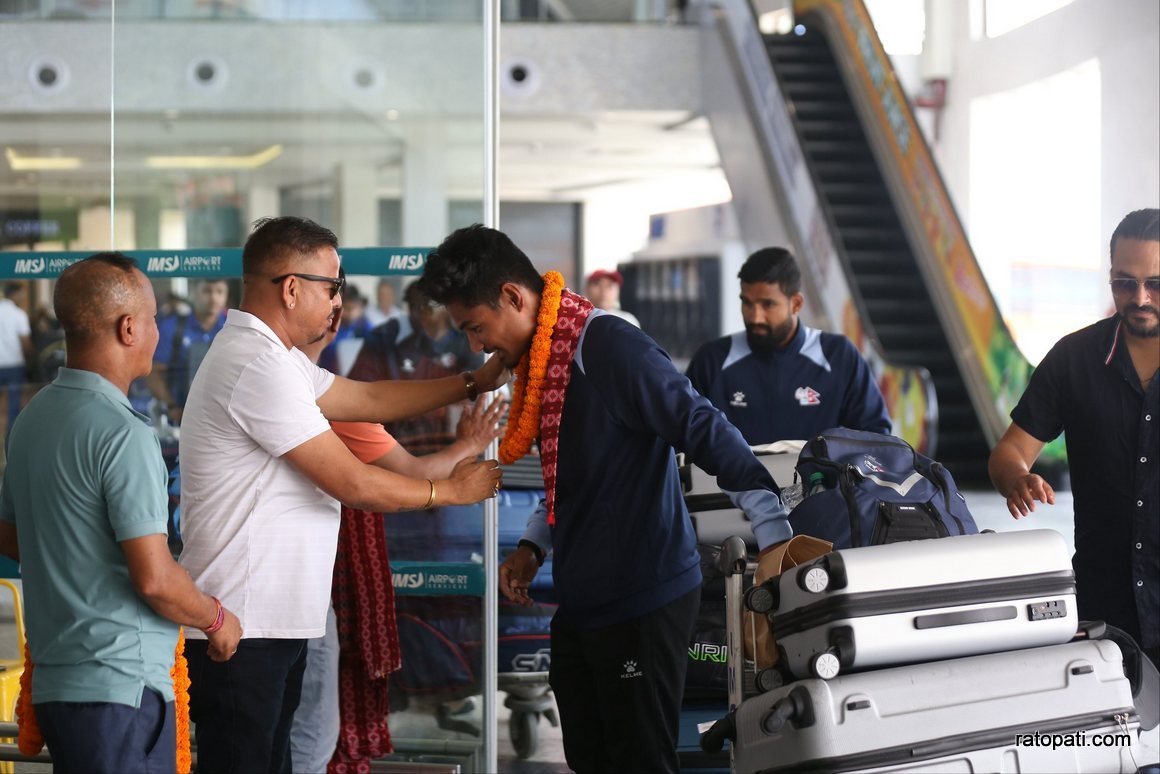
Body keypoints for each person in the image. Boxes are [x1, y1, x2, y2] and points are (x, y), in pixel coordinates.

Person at [417, 224, 790, 774]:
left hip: (643, 595)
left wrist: (774, 530)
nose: (476, 346)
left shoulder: (608, 345)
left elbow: (699, 425)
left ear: (514, 298)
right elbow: (568, 469)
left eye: (476, 327)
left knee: (639, 762)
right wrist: (533, 545)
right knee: (589, 759)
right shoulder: (544, 360)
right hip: (585, 597)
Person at [177, 216, 508, 773]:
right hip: (243, 625)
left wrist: (475, 380)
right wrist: (448, 491)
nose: (337, 300)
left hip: (269, 621)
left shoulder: (276, 360)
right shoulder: (257, 364)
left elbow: (371, 399)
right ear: (291, 288)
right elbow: (351, 482)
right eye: (332, 286)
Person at [0, 253, 242, 773]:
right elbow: (154, 579)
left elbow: (11, 534)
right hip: (120, 687)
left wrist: (79, 567)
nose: (157, 331)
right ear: (129, 328)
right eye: (153, 319)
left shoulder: (32, 418)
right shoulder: (123, 434)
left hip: (60, 683)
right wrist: (216, 618)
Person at [290, 301, 504, 773]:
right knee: (312, 728)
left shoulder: (305, 388)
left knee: (302, 720)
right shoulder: (321, 401)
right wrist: (455, 481)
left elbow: (377, 410)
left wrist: (465, 437)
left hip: (308, 584)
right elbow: (371, 480)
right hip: (318, 583)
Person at [989, 207, 1159, 667]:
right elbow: (1010, 451)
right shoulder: (1074, 359)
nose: (1140, 297)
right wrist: (1016, 479)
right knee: (1103, 740)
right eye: (1125, 282)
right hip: (1102, 608)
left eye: (1156, 284)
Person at [686, 247, 891, 444]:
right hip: (729, 481)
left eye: (768, 304)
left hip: (819, 480)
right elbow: (682, 434)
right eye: (747, 303)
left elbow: (875, 437)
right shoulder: (712, 360)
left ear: (796, 304)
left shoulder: (838, 356)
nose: (755, 316)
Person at [349, 281, 485, 454]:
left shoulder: (469, 340)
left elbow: (479, 393)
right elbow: (358, 397)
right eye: (414, 306)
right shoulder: (385, 338)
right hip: (393, 448)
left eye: (427, 306)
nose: (421, 313)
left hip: (454, 445)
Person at [146, 277, 230, 425]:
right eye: (207, 291)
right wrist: (172, 406)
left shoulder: (233, 327)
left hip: (224, 421)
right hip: (179, 420)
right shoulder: (171, 328)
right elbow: (154, 374)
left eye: (219, 291)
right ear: (194, 292)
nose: (213, 297)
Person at [0, 282, 32, 437]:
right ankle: (10, 436)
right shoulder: (19, 314)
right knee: (14, 402)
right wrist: (33, 358)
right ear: (14, 294)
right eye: (21, 293)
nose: (22, 297)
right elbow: (25, 342)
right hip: (14, 364)